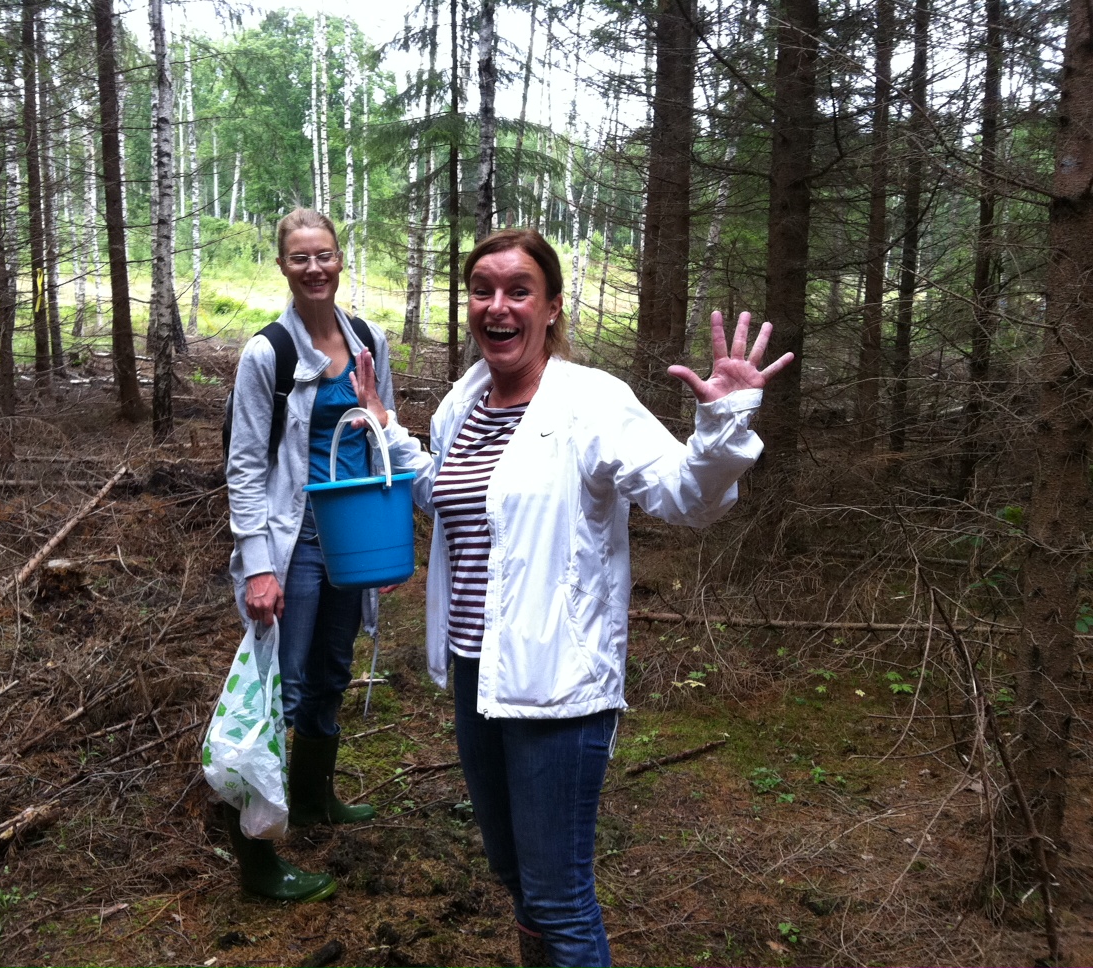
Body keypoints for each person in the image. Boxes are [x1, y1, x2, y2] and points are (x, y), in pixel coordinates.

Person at [353, 229, 792, 966]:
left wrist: (722, 425)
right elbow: (447, 495)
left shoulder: (591, 402)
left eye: (518, 290)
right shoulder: (464, 402)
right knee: (515, 877)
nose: (497, 305)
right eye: (483, 290)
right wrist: (389, 428)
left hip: (558, 688)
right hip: (476, 674)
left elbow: (686, 497)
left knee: (559, 899)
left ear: (552, 306)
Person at [222, 208, 429, 902]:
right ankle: (256, 853)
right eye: (300, 257)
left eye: (325, 255)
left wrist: (387, 544)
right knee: (277, 689)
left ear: (340, 259)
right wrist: (258, 565)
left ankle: (313, 799)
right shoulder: (269, 354)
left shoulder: (368, 340)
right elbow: (244, 465)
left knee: (332, 672)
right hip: (293, 541)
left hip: (353, 537)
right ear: (283, 265)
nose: (315, 268)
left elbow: (383, 438)